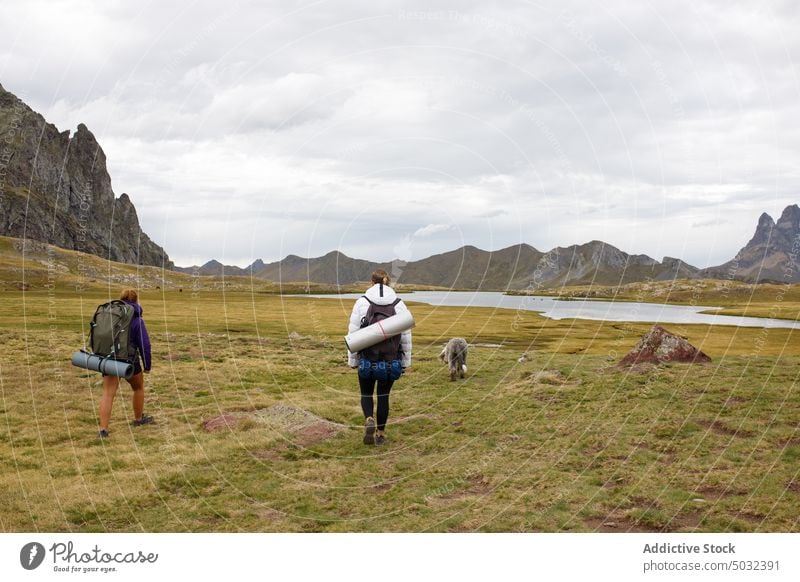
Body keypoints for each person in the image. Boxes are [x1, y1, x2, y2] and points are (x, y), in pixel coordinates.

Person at [348, 270, 412, 445]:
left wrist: (353, 361)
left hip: (367, 359)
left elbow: (353, 332)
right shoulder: (399, 304)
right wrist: (405, 363)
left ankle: (369, 418)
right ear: (388, 283)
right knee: (384, 396)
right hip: (391, 360)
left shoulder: (362, 302)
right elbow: (405, 336)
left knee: (366, 393)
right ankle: (381, 434)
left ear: (371, 282)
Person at [98, 289, 153, 438]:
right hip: (129, 361)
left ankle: (103, 430)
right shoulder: (136, 319)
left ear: (120, 299)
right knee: (138, 387)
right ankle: (138, 419)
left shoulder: (110, 315)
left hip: (109, 358)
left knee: (108, 394)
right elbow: (145, 345)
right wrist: (147, 365)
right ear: (136, 301)